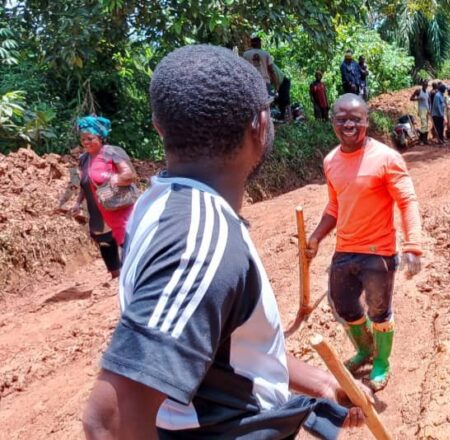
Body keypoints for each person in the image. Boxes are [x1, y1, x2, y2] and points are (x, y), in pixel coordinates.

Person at [81, 45, 370, 440]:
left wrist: (319, 382)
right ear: (261, 124)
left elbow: (223, 342)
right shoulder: (198, 241)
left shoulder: (161, 203)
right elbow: (110, 423)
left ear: (158, 127)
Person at [305, 93, 424, 392]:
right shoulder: (331, 161)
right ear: (332, 122)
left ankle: (381, 362)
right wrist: (317, 236)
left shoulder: (386, 158)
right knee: (343, 305)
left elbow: (407, 201)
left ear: (367, 122)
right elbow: (335, 206)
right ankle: (365, 349)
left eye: (355, 119)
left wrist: (413, 246)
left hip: (378, 252)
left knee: (379, 310)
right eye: (341, 119)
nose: (348, 124)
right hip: (345, 249)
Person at [63, 116, 138, 279]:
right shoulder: (83, 159)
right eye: (83, 139)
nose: (86, 142)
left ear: (100, 137)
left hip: (116, 206)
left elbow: (130, 175)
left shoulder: (112, 152)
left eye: (90, 138)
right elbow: (81, 183)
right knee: (104, 241)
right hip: (95, 209)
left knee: (126, 241)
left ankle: (133, 276)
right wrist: (76, 203)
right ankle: (115, 277)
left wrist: (114, 179)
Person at [410, 80, 431, 145]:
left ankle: (425, 139)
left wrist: (429, 109)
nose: (425, 86)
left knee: (426, 125)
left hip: (427, 110)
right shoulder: (419, 91)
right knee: (424, 124)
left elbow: (429, 101)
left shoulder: (427, 92)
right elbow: (411, 98)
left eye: (426, 85)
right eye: (424, 85)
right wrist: (418, 99)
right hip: (421, 109)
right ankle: (421, 140)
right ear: (422, 85)